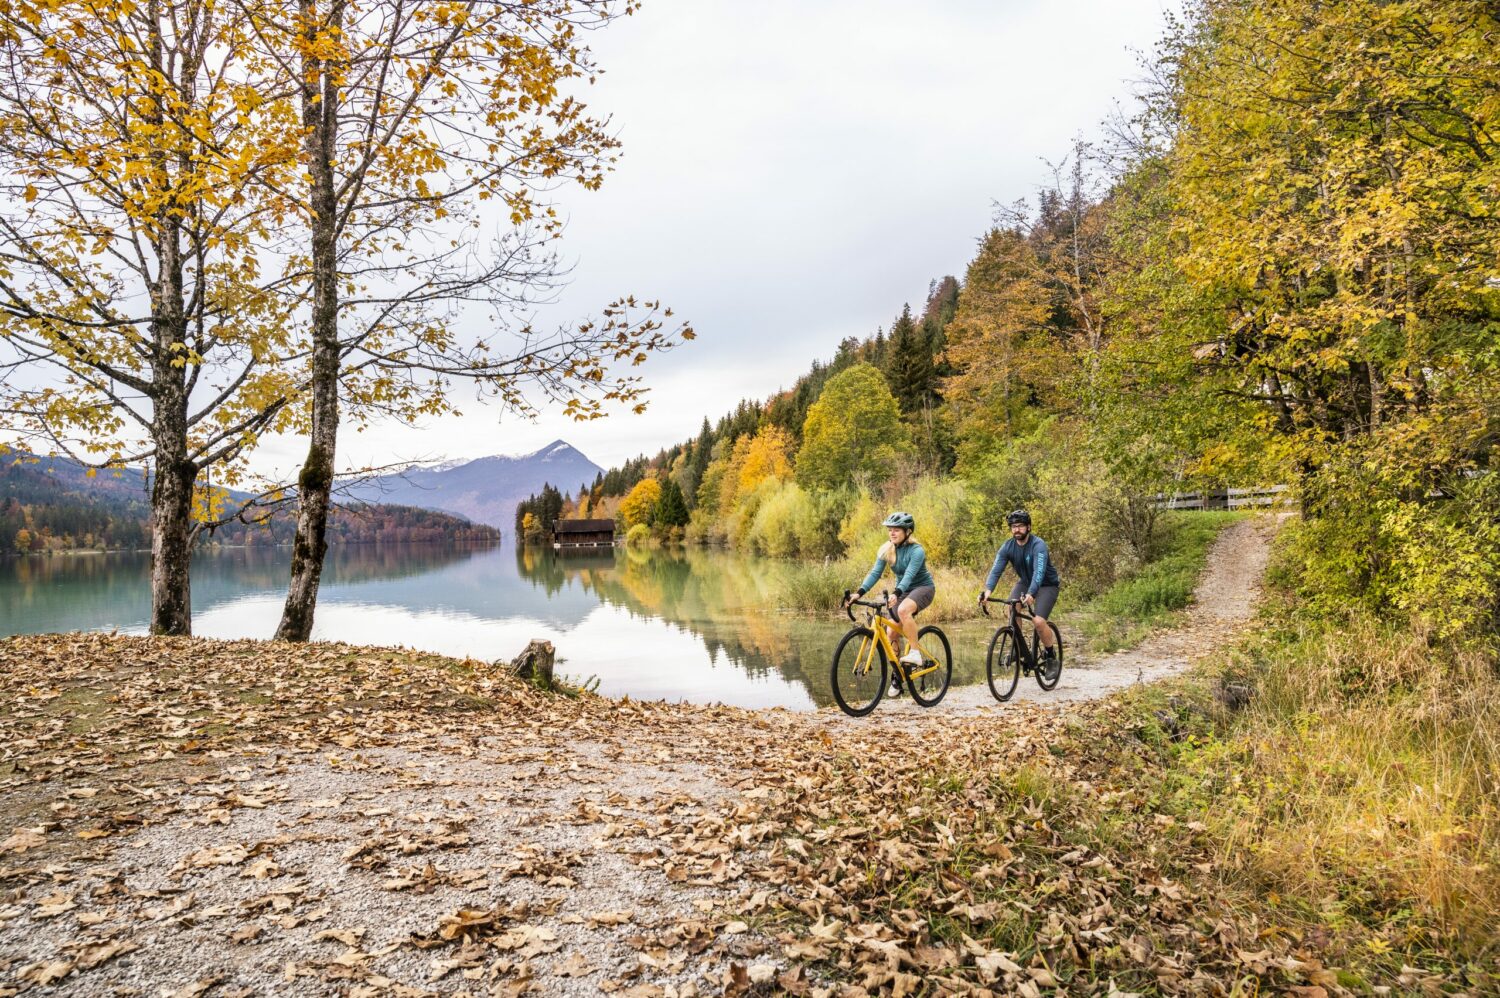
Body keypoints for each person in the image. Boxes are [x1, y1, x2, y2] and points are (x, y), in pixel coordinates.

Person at [842, 512, 935, 686]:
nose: (892, 533)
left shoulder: (917, 551)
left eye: (896, 530)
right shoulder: (886, 549)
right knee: (891, 632)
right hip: (903, 591)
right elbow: (875, 573)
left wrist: (896, 593)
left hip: (923, 588)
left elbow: (909, 575)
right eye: (890, 530)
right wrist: (859, 593)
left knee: (903, 610)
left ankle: (915, 652)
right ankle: (898, 675)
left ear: (907, 531)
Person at [979, 509, 1060, 666]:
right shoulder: (1007, 547)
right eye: (1014, 526)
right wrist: (987, 591)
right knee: (1012, 608)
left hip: (1046, 585)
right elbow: (996, 570)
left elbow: (1039, 572)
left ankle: (1050, 655)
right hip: (1025, 581)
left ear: (1028, 527)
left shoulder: (1038, 545)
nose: (1017, 529)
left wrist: (1032, 593)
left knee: (1038, 622)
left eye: (1021, 526)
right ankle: (1019, 648)